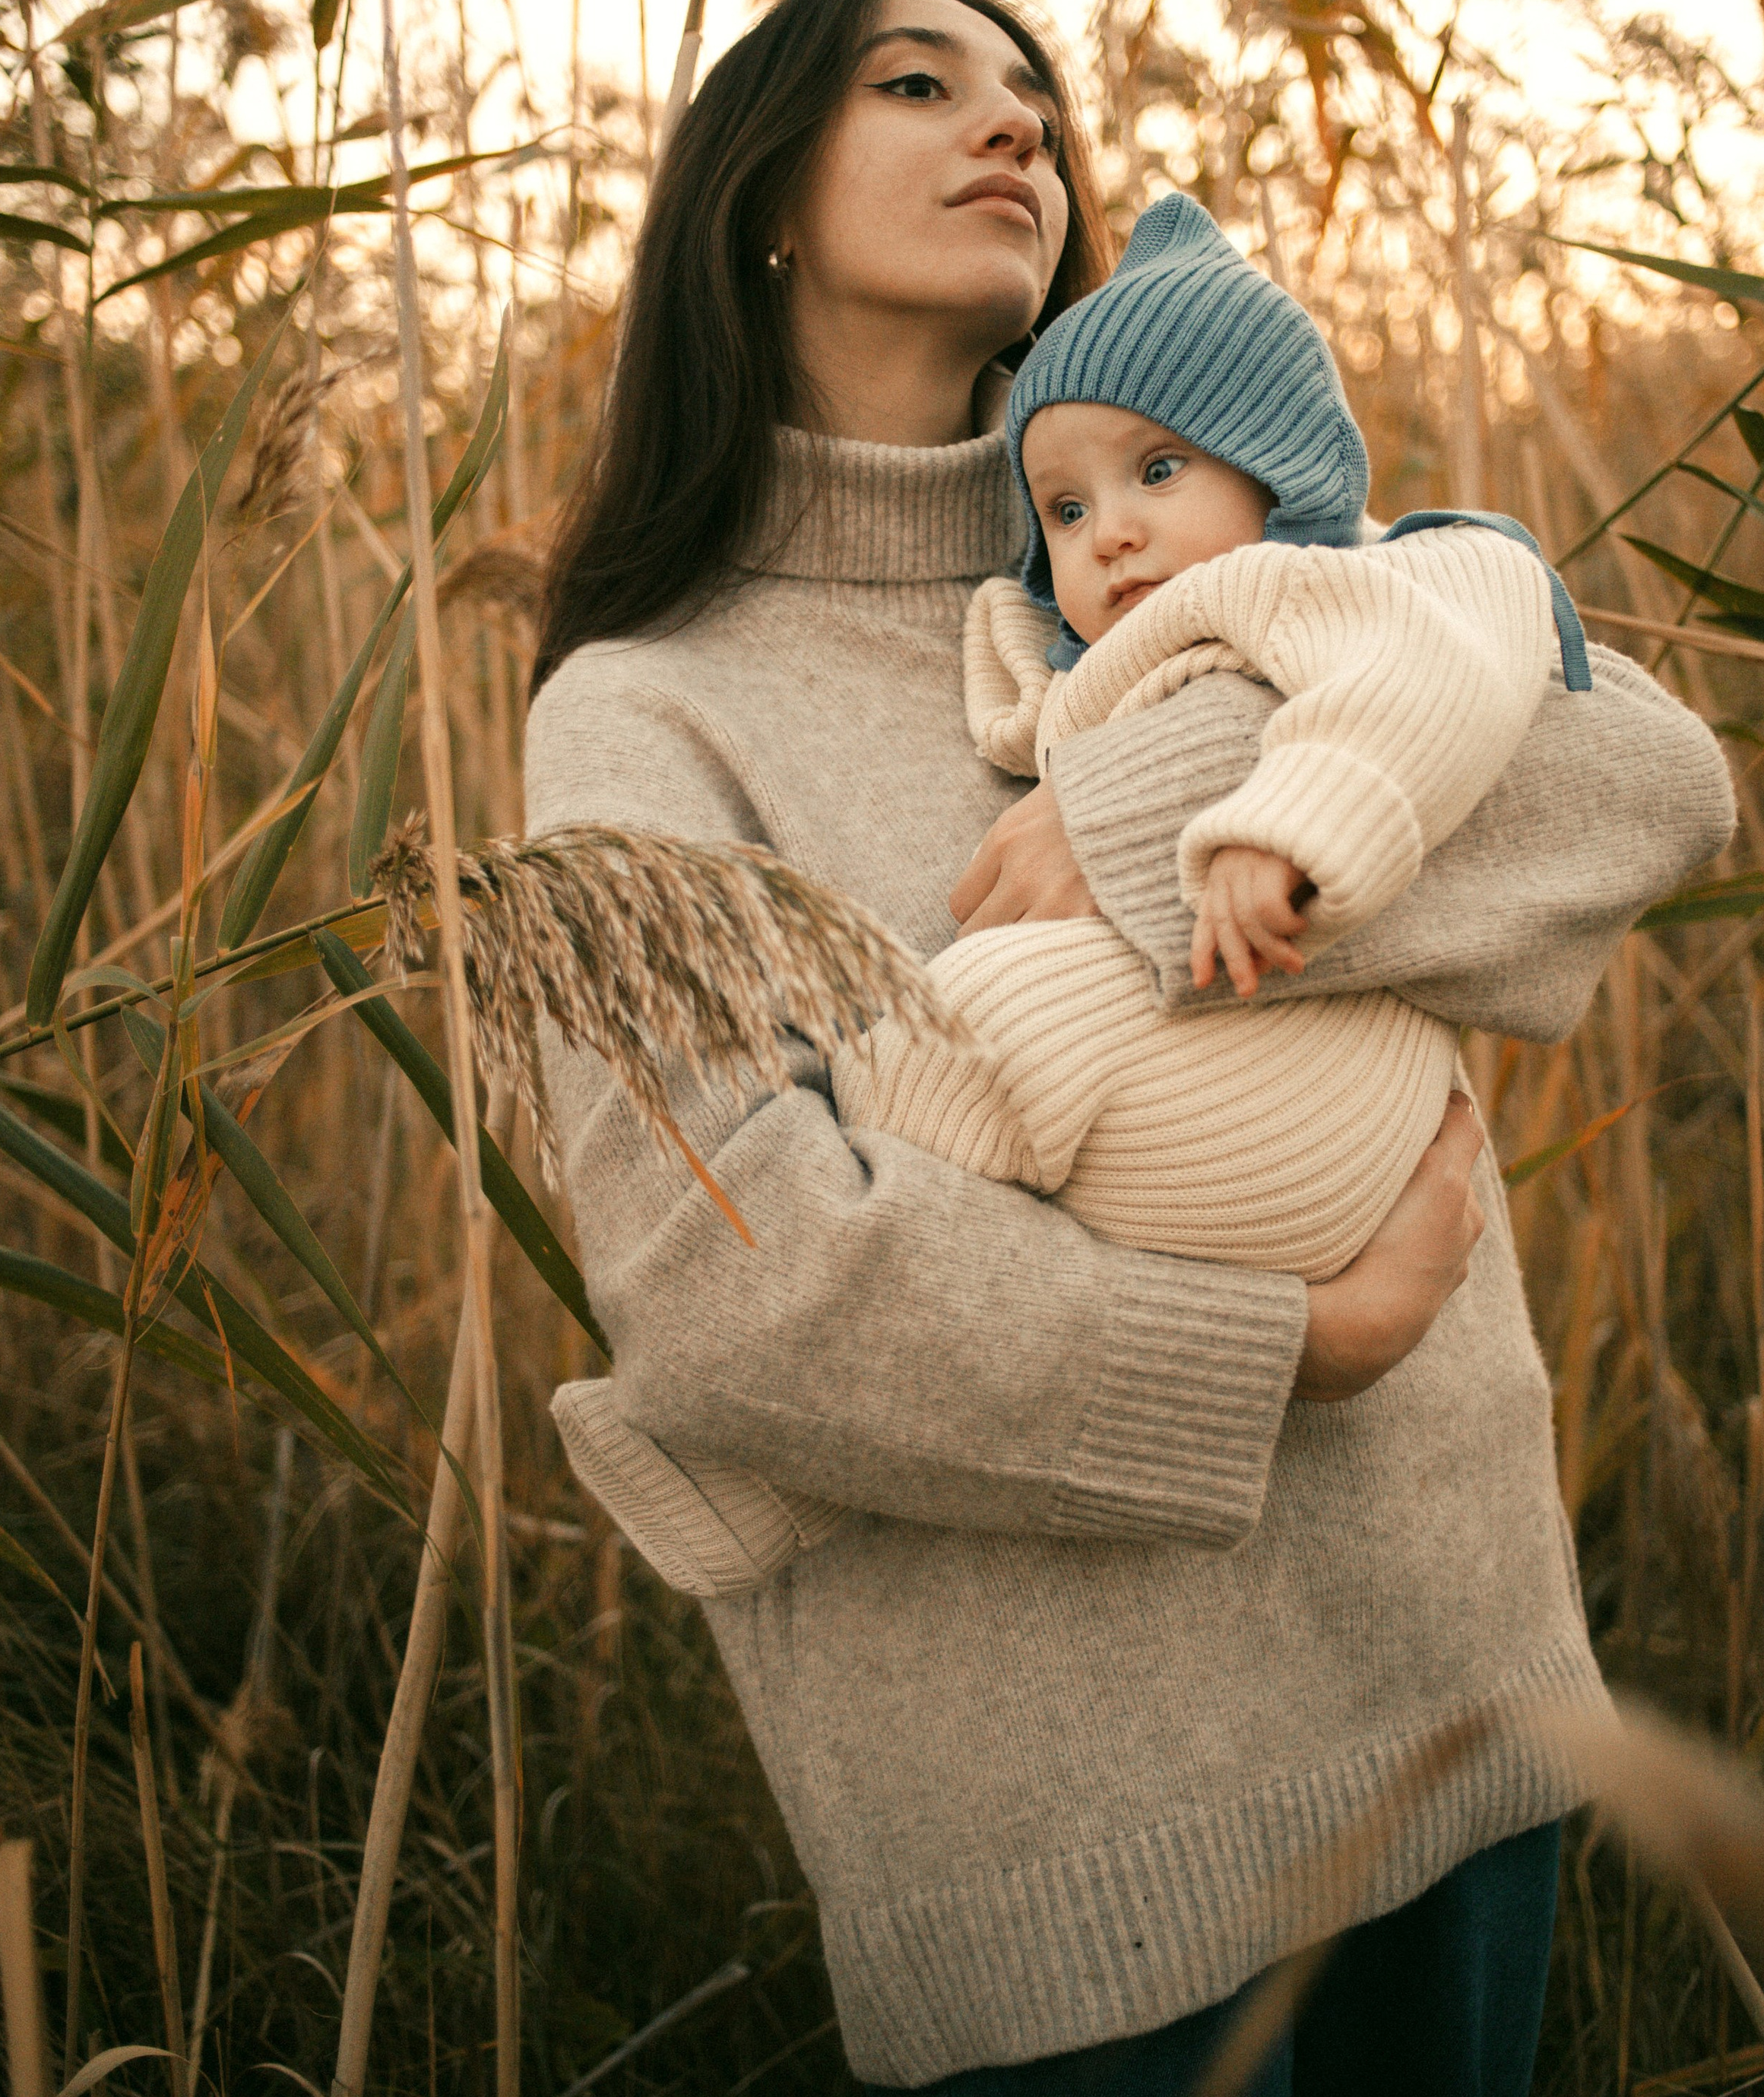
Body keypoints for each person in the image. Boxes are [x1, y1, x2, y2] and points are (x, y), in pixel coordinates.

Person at [527, 0, 1736, 2097]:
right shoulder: (652, 713)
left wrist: (1148, 792)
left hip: (1449, 1684)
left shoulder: (1202, 556)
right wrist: (1293, 1334)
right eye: (919, 82)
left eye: (1040, 106)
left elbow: (1646, 778)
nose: (1018, 132)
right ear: (757, 198)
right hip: (1073, 1823)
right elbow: (736, 1289)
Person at [561, 191, 1602, 1603]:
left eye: (1159, 472)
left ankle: (751, 1461)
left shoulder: (1354, 583)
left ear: (1275, 460)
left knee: (962, 1011)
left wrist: (1266, 828)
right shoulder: (645, 705)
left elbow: (1480, 707)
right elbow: (1034, 725)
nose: (1109, 533)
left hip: (1320, 1114)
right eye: (1064, 507)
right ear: (772, 199)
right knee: (966, 1052)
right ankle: (760, 1471)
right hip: (1217, 1146)